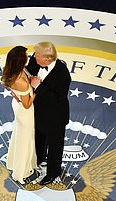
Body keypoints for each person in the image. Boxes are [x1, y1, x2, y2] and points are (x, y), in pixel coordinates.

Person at [26, 41, 71, 185]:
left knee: (55, 147)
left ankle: (53, 173)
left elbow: (56, 100)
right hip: (39, 112)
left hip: (55, 116)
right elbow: (29, 67)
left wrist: (38, 86)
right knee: (39, 137)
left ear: (47, 59)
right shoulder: (36, 60)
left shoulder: (63, 75)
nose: (34, 57)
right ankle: (38, 160)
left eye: (37, 56)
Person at [1, 46, 39, 184]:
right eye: (26, 56)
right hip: (25, 112)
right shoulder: (21, 82)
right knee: (24, 141)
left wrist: (18, 92)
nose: (28, 57)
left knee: (19, 136)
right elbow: (27, 104)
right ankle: (20, 173)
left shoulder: (12, 70)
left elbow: (13, 90)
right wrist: (34, 88)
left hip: (18, 105)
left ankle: (13, 163)